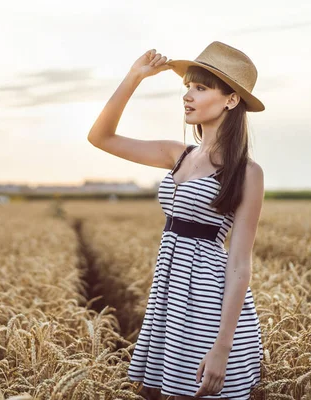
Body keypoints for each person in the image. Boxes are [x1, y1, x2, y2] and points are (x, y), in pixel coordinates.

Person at [87, 41, 265, 400]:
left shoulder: (247, 173)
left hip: (207, 305)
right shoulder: (178, 154)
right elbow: (100, 137)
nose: (188, 95)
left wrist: (222, 348)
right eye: (187, 87)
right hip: (170, 299)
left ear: (231, 100)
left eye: (200, 88)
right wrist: (134, 76)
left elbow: (239, 265)